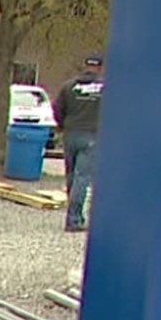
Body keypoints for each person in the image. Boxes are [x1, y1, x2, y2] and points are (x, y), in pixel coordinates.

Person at [55, 54, 106, 232]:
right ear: (100, 68)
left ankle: (73, 213)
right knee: (82, 177)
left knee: (71, 176)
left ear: (85, 66)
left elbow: (57, 110)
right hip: (92, 136)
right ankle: (74, 219)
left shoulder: (68, 86)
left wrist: (63, 126)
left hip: (70, 134)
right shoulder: (106, 88)